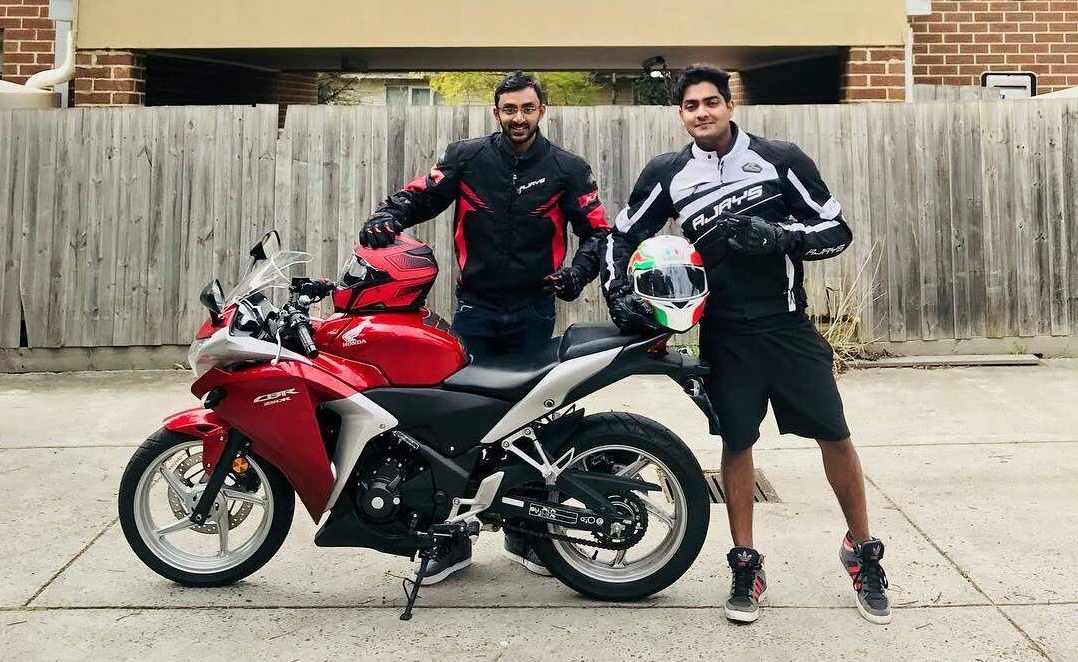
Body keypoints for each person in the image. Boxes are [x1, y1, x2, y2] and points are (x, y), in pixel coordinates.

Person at [602, 64, 890, 625]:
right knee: (737, 445)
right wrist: (619, 295)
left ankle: (862, 552)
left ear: (729, 105)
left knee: (834, 435)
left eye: (712, 102)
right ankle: (746, 564)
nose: (702, 113)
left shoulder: (780, 159)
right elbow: (622, 234)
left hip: (787, 327)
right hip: (725, 332)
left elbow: (836, 230)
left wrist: (780, 236)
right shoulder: (668, 173)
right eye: (691, 106)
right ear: (680, 113)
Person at [359, 70, 610, 583]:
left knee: (533, 429)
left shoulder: (568, 168)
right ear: (496, 112)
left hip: (536, 313)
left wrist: (576, 276)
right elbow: (420, 196)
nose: (518, 118)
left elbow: (598, 234)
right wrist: (387, 218)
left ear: (542, 112)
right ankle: (449, 542)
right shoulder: (467, 157)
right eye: (509, 109)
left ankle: (531, 537)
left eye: (528, 109)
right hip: (474, 311)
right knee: (455, 429)